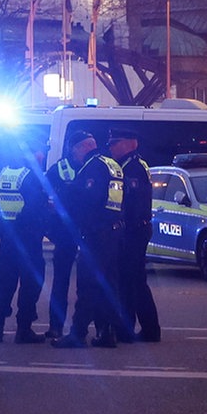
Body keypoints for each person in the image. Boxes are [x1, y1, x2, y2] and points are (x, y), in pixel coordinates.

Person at [55, 129, 125, 349]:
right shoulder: (111, 164)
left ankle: (78, 334)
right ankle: (108, 332)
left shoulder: (92, 167)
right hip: (113, 232)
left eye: (74, 151)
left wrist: (67, 205)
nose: (73, 156)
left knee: (87, 285)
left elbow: (88, 200)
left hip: (96, 234)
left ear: (82, 147)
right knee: (108, 285)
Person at [0, 136, 51, 343]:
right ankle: (24, 330)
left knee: (5, 283)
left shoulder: (1, 175)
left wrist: (2, 226)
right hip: (28, 240)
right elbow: (35, 208)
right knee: (30, 284)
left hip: (8, 239)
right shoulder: (32, 177)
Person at [112, 128, 158, 343]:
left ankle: (143, 329)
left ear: (132, 143)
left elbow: (131, 203)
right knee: (130, 281)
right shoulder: (131, 165)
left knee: (133, 281)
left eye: (117, 142)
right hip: (135, 229)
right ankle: (135, 328)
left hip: (133, 230)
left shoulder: (133, 168)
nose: (113, 147)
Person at [42, 137, 85, 341]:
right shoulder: (58, 169)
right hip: (65, 233)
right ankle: (55, 327)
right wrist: (53, 232)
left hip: (87, 232)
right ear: (74, 148)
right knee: (61, 282)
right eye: (86, 147)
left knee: (87, 284)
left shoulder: (93, 166)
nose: (90, 151)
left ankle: (82, 328)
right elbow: (45, 200)